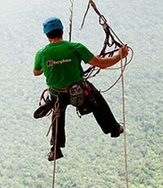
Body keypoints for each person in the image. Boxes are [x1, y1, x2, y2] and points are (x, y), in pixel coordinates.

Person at [33, 17, 129, 161]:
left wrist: (52, 65)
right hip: (79, 90)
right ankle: (113, 128)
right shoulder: (76, 48)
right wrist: (119, 56)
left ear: (47, 35)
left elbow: (36, 72)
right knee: (96, 99)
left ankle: (56, 149)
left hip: (57, 94)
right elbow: (101, 63)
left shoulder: (42, 53)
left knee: (57, 114)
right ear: (62, 32)